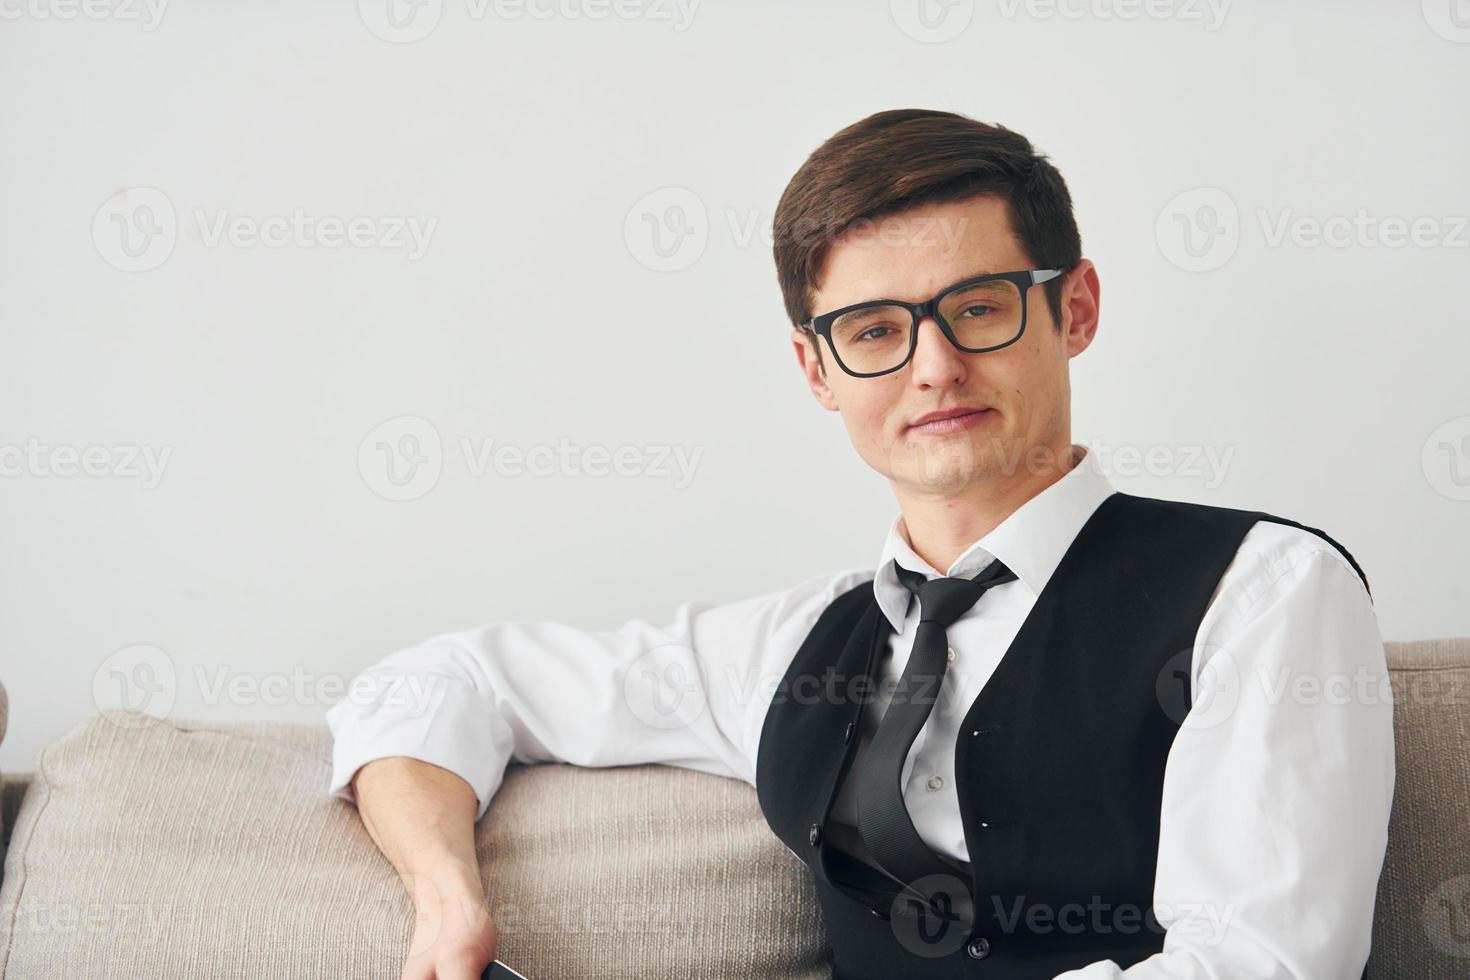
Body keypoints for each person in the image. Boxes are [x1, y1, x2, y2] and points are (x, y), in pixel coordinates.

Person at [326, 108, 1394, 980]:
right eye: (875, 330)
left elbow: (1262, 962)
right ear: (817, 371)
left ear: (1075, 308)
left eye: (978, 307)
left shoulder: (1263, 590)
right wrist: (448, 900)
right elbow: (440, 680)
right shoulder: (786, 648)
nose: (932, 367)